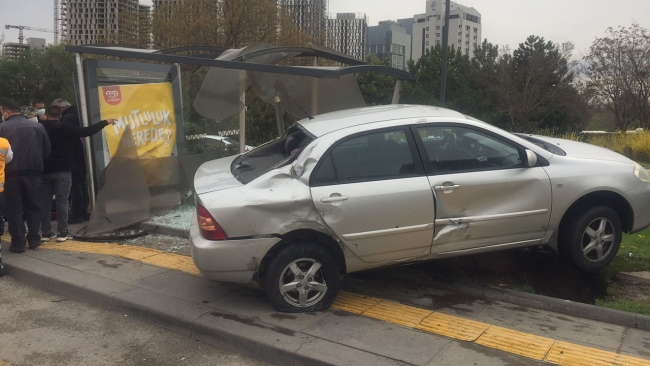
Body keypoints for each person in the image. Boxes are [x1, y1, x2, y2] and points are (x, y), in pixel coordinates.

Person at [39, 105, 116, 242]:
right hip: (63, 170)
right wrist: (105, 122)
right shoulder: (65, 128)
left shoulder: (40, 128)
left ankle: (46, 233)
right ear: (60, 115)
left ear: (46, 115)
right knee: (62, 201)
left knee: (45, 202)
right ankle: (62, 232)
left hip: (44, 170)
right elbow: (86, 131)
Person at [0, 99, 50, 253]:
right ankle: (34, 240)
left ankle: (18, 244)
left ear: (7, 112)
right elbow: (47, 149)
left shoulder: (2, 128)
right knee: (34, 207)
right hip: (34, 173)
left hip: (11, 175)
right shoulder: (38, 126)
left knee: (14, 210)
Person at [53, 98, 88, 224]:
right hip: (83, 154)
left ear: (61, 108)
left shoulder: (67, 118)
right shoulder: (79, 113)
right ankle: (84, 212)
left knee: (75, 185)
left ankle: (77, 213)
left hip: (74, 155)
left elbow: (67, 137)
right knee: (82, 183)